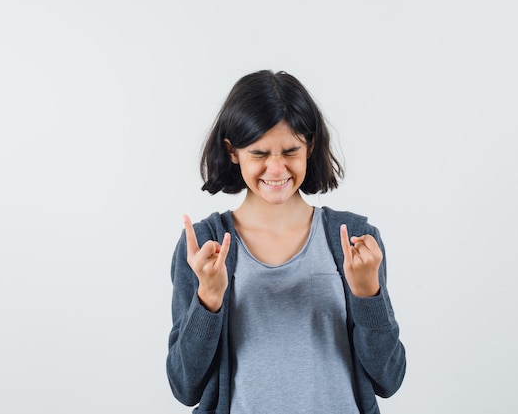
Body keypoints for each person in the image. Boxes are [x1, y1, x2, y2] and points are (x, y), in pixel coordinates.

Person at [166, 70, 406, 414]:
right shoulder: (204, 247)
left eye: (290, 151)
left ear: (310, 145)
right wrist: (208, 299)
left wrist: (368, 295)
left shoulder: (353, 241)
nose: (276, 169)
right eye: (259, 153)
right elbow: (184, 386)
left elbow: (389, 379)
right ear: (233, 152)